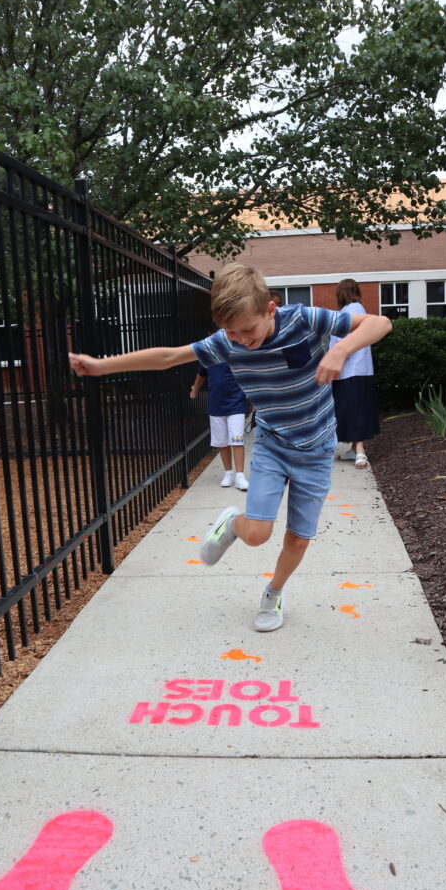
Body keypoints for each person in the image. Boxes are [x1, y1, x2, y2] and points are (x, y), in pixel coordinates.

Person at [69, 264, 391, 632]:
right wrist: (101, 366)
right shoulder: (225, 341)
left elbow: (380, 323)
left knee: (299, 540)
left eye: (248, 329)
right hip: (273, 443)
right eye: (231, 333)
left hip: (316, 447)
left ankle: (273, 593)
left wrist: (341, 350)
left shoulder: (302, 319)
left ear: (270, 308)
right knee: (257, 535)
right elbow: (168, 357)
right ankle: (233, 525)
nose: (240, 339)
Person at [330, 278, 380, 468]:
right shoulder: (358, 310)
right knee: (358, 409)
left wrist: (330, 362)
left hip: (349, 371)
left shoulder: (349, 312)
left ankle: (360, 452)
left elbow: (340, 343)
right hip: (361, 370)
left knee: (352, 410)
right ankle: (354, 449)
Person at [190, 361, 249, 490]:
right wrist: (195, 389)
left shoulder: (235, 352)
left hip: (236, 404)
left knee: (237, 439)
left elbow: (248, 372)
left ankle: (239, 475)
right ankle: (228, 472)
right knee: (222, 442)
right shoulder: (207, 355)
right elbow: (201, 374)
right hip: (216, 406)